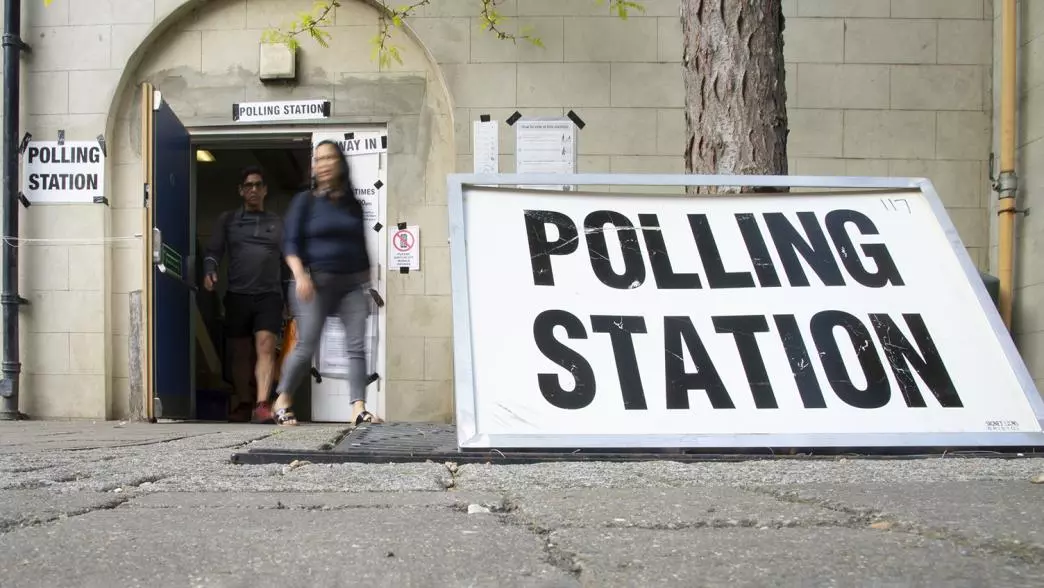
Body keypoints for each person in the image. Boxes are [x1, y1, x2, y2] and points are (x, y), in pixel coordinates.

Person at [272, 140, 382, 427]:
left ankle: (358, 409)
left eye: (328, 158)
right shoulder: (305, 201)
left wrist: (367, 283)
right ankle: (282, 399)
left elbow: (360, 247)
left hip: (349, 286)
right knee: (306, 344)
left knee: (357, 345)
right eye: (317, 159)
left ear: (339, 162)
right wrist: (300, 276)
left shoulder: (352, 205)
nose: (322, 164)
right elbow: (290, 243)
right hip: (313, 282)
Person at [203, 166, 284, 424]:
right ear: (241, 190)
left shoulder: (276, 222)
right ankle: (244, 400)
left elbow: (288, 259)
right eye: (248, 185)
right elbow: (213, 250)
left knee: (266, 347)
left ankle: (262, 404)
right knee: (239, 353)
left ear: (265, 190)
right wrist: (210, 270)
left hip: (269, 295)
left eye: (258, 185)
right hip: (238, 294)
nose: (253, 189)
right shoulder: (228, 220)